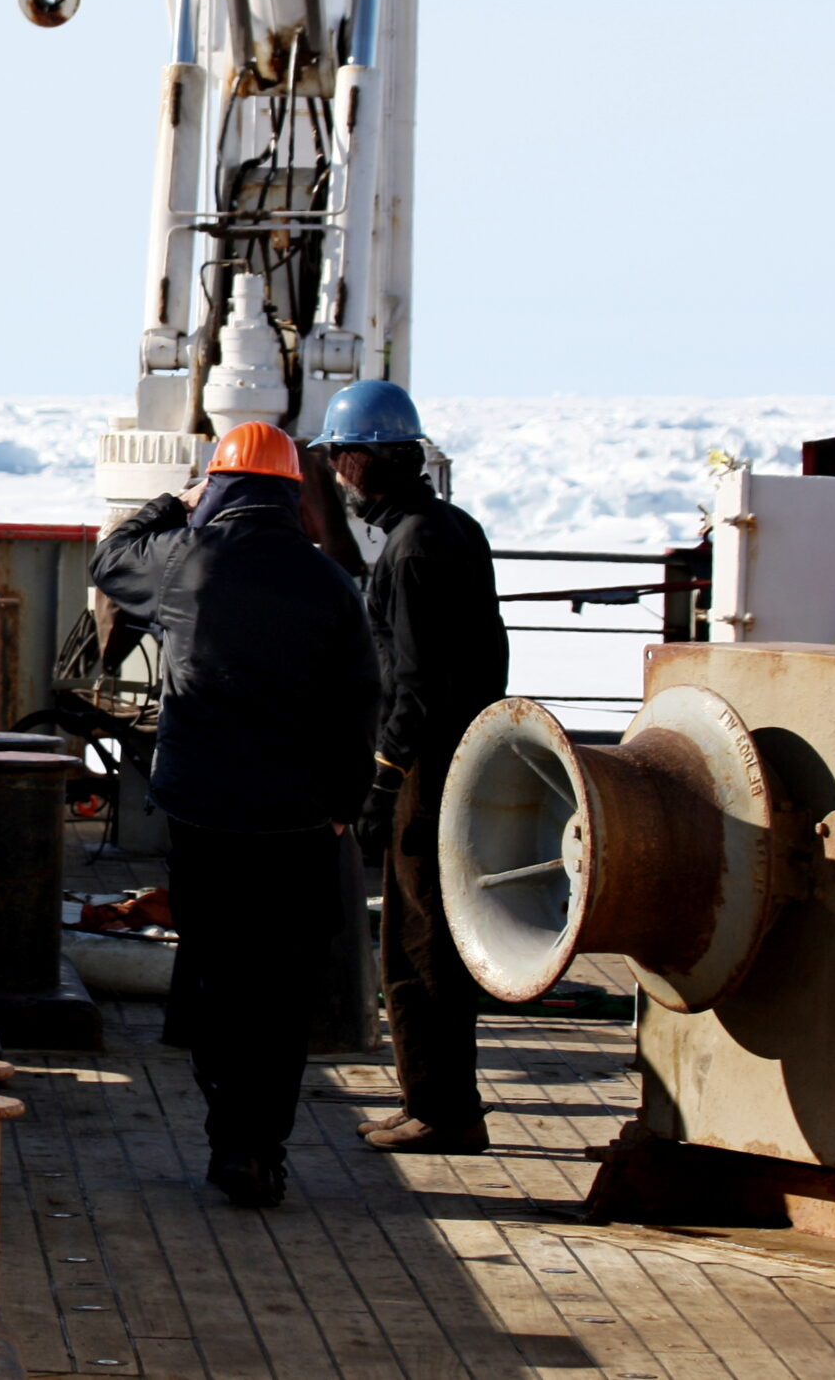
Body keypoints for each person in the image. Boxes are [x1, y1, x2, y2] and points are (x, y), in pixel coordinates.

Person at [90, 420, 377, 1208]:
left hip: (205, 814)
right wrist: (344, 808)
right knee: (280, 986)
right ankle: (262, 1147)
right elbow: (359, 710)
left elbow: (108, 559)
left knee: (215, 970)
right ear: (291, 495)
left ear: (216, 488)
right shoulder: (330, 583)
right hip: (297, 821)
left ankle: (228, 1137)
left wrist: (171, 504)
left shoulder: (186, 560)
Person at [313, 380, 509, 1155]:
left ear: (362, 460)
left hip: (427, 766)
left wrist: (384, 778)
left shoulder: (414, 546)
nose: (336, 476)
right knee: (419, 935)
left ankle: (445, 1109)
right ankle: (430, 1095)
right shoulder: (451, 527)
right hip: (457, 753)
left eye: (337, 460)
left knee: (418, 941)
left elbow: (416, 682)